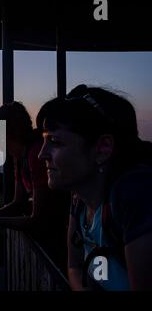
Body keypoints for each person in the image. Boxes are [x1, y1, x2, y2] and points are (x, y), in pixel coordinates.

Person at [38, 84, 152, 290]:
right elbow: (75, 268)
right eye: (44, 140)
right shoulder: (80, 199)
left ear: (102, 149)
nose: (41, 154)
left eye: (54, 141)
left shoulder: (135, 196)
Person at [0, 101, 70, 269]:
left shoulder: (35, 155)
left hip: (62, 243)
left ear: (9, 132)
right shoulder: (20, 158)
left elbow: (39, 220)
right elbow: (18, 202)